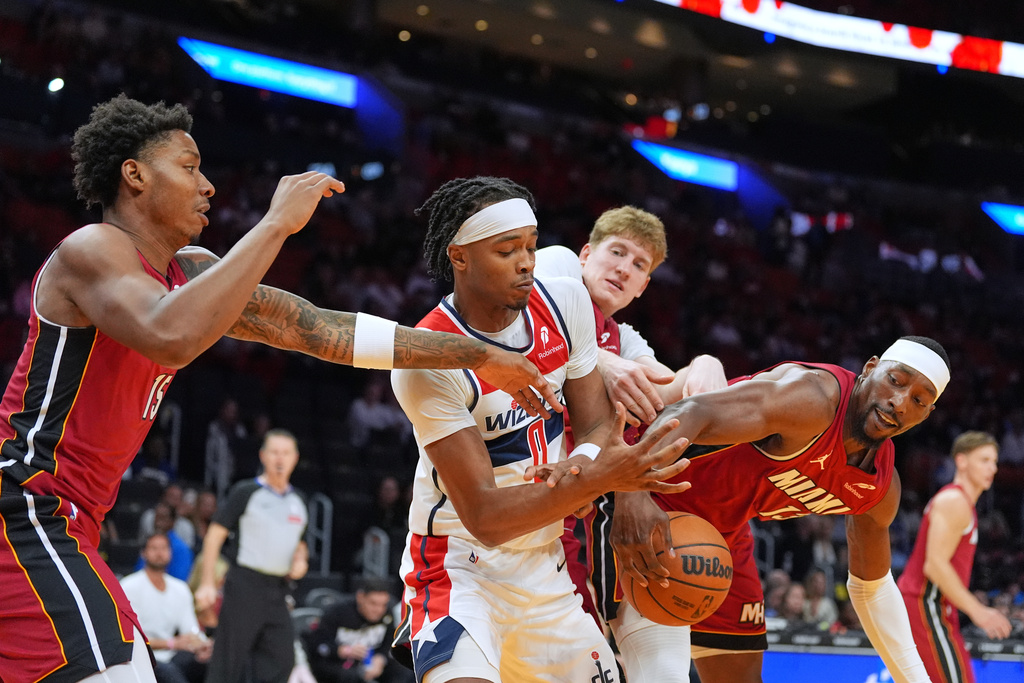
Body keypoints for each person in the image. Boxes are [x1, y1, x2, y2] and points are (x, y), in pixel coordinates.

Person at [0, 95, 559, 683]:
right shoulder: (94, 247)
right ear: (133, 175)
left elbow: (316, 329)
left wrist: (476, 354)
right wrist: (275, 223)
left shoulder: (189, 272)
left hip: (72, 522)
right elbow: (171, 335)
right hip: (27, 507)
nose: (208, 185)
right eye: (189, 168)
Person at [388, 176, 692, 682]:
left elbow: (595, 424)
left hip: (546, 566)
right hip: (461, 566)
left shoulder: (565, 303)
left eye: (530, 247)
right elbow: (485, 516)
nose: (526, 262)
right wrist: (601, 479)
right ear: (459, 256)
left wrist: (583, 464)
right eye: (507, 251)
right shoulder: (426, 358)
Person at [541, 335, 951, 683]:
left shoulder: (879, 486)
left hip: (724, 531)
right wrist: (633, 492)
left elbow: (872, 589)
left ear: (927, 414)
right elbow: (690, 411)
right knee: (663, 672)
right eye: (894, 381)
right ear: (871, 368)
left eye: (918, 399)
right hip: (654, 490)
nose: (899, 401)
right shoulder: (812, 399)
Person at [533, 207, 726, 625]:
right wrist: (599, 361)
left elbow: (664, 388)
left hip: (564, 512)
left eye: (639, 265)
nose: (624, 269)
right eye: (616, 252)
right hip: (510, 489)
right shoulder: (556, 269)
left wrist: (704, 364)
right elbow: (529, 320)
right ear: (585, 255)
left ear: (643, 287)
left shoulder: (625, 338)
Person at [897, 431, 1012, 683]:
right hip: (924, 603)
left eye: (994, 461)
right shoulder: (954, 501)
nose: (992, 468)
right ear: (961, 461)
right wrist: (978, 611)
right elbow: (934, 565)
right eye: (984, 460)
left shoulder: (962, 503)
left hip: (934, 607)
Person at [195, 429, 307, 683]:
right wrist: (207, 582)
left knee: (282, 660)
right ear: (263, 456)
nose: (280, 458)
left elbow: (301, 542)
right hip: (244, 584)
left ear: (295, 458)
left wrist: (301, 560)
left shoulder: (299, 500)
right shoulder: (246, 492)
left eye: (286, 453)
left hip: (278, 590)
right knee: (228, 661)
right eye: (274, 452)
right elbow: (214, 536)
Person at [120, 533, 211, 683]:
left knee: (211, 664)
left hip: (173, 655)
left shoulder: (180, 588)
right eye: (154, 548)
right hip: (143, 658)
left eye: (164, 548)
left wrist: (203, 645)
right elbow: (132, 639)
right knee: (170, 673)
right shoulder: (129, 586)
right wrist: (171, 643)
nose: (159, 553)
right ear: (144, 553)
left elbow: (190, 630)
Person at [306, 577, 413, 683]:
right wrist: (341, 650)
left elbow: (389, 642)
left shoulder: (387, 614)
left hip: (370, 662)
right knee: (349, 676)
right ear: (360, 597)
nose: (379, 610)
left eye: (383, 604)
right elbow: (316, 644)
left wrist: (380, 659)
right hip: (337, 663)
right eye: (373, 603)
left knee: (403, 671)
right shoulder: (337, 612)